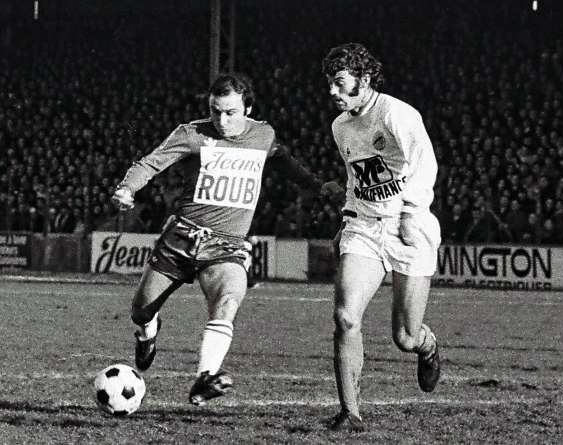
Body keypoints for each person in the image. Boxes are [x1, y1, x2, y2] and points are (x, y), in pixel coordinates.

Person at [111, 72, 329, 406]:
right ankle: (147, 334)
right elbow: (152, 162)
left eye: (230, 112)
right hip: (181, 238)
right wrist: (128, 187)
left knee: (227, 302)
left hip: (227, 245)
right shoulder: (192, 133)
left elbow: (285, 163)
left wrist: (317, 186)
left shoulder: (263, 135)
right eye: (216, 111)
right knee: (141, 310)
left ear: (248, 108)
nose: (222, 120)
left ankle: (205, 377)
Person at [321, 43, 441, 431]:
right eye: (330, 84)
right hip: (365, 227)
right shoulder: (341, 127)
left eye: (340, 83)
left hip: (410, 225)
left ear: (365, 79)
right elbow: (357, 178)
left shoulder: (396, 114)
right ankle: (350, 412)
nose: (333, 92)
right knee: (344, 317)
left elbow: (425, 165)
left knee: (405, 337)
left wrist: (409, 212)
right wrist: (346, 219)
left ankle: (428, 346)